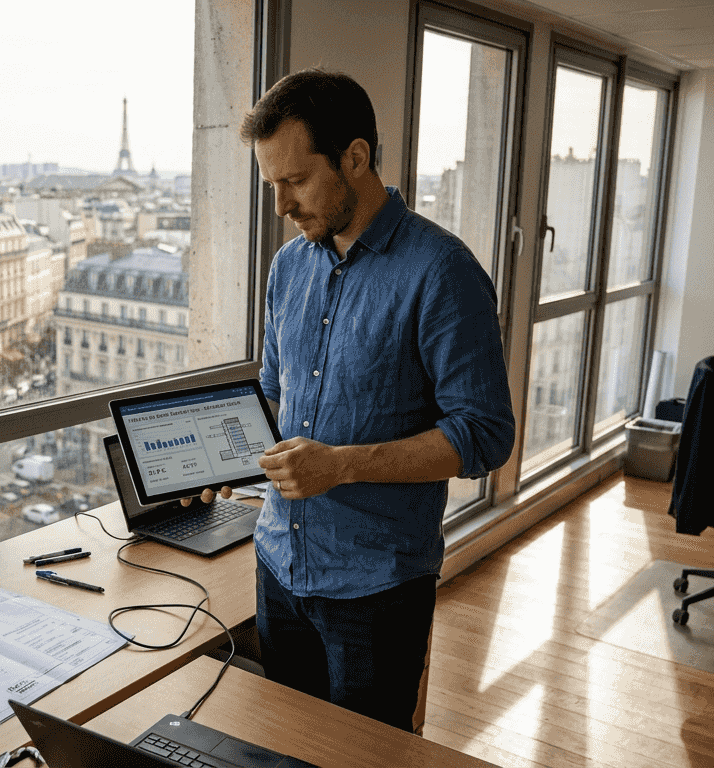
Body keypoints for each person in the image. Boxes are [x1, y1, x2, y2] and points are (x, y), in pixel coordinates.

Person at [186, 69, 514, 731]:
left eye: (296, 181)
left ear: (356, 158)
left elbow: (484, 434)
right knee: (288, 749)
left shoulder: (442, 272)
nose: (281, 205)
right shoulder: (288, 267)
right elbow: (276, 396)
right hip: (279, 566)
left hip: (377, 588)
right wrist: (217, 461)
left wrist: (341, 464)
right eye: (271, 184)